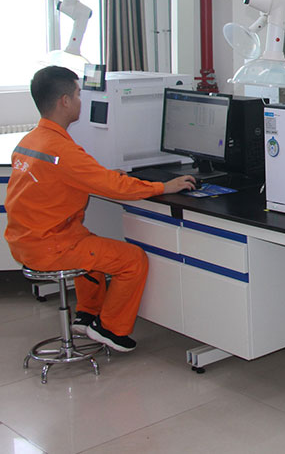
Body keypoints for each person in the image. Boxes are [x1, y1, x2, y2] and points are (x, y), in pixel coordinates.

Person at [4, 66, 196, 352]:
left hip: (25, 242)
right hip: (51, 246)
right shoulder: (62, 150)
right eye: (78, 95)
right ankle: (110, 329)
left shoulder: (30, 141)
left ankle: (86, 315)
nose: (80, 101)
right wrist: (163, 187)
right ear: (65, 101)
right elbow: (114, 187)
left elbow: (69, 177)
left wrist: (101, 175)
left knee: (88, 242)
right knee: (132, 259)